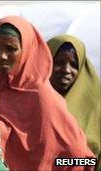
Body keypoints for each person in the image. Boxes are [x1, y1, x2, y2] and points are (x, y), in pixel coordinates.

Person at [0, 15, 95, 170]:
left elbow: (79, 155)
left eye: (11, 49)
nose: (2, 56)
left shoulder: (42, 98)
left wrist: (50, 164)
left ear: (26, 50)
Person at [48, 34, 100, 167]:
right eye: (59, 62)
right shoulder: (30, 102)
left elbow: (94, 160)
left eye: (74, 64)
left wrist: (62, 163)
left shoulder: (95, 106)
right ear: (46, 63)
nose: (66, 70)